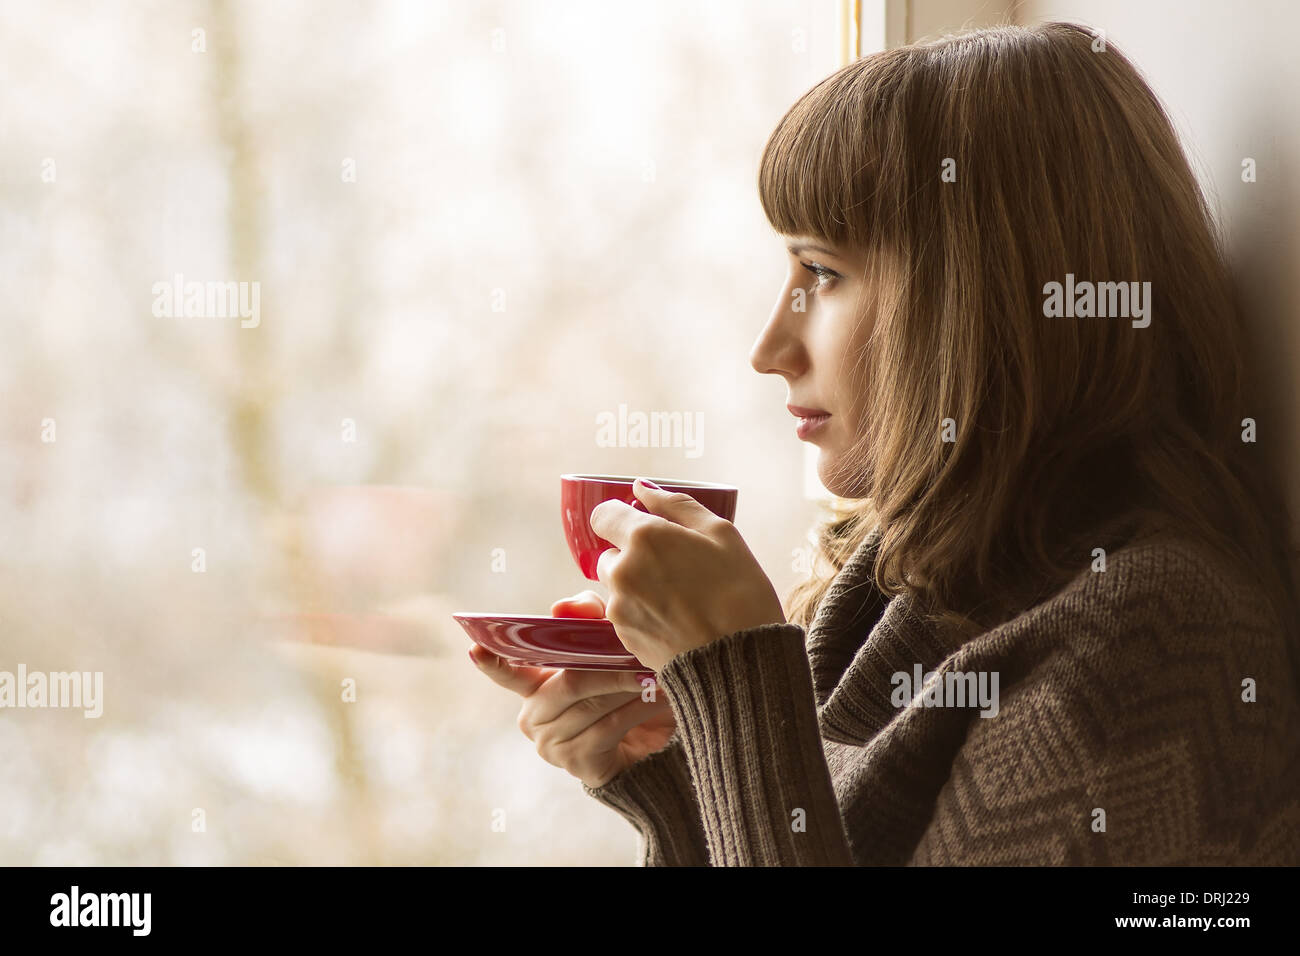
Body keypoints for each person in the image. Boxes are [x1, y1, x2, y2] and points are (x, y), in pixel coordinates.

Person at [469, 21, 1300, 865]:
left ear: (978, 303)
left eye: (821, 274)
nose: (767, 350)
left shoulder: (1152, 648)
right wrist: (689, 777)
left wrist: (737, 684)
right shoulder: (881, 605)